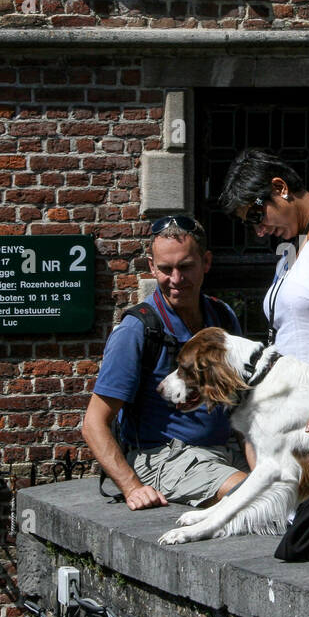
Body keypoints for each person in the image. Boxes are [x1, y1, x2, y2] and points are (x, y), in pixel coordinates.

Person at [82, 215, 250, 511]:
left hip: (224, 452)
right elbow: (94, 423)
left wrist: (260, 462)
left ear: (206, 262)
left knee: (291, 484)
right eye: (165, 269)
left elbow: (238, 404)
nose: (175, 279)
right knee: (251, 494)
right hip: (165, 458)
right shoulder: (138, 330)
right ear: (151, 267)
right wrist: (132, 488)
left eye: (185, 267)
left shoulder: (222, 317)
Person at [217, 149, 309, 373]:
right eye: (250, 224)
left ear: (280, 188)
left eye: (256, 216)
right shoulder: (290, 252)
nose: (259, 231)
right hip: (292, 398)